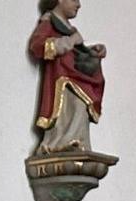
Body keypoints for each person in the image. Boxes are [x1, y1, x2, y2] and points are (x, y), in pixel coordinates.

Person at [29, 0, 107, 155]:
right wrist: (70, 42)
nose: (79, 5)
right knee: (70, 107)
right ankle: (60, 142)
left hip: (77, 76)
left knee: (82, 108)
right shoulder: (49, 23)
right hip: (63, 80)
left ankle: (77, 142)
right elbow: (37, 46)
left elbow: (76, 52)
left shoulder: (69, 29)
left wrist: (93, 51)